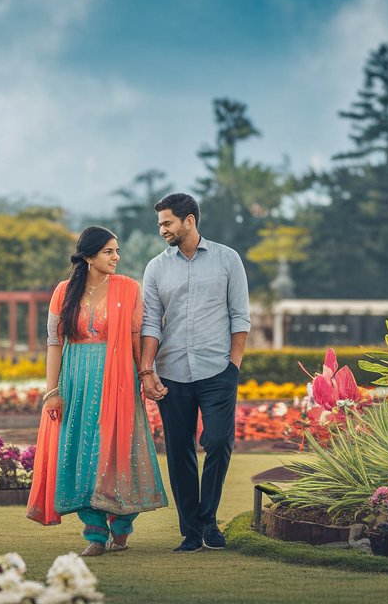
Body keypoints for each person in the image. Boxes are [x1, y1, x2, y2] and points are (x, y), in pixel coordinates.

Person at [27, 226, 168, 557]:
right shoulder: (64, 291)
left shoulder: (129, 288)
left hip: (118, 380)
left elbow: (137, 338)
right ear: (89, 256)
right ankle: (94, 533)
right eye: (109, 251)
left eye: (117, 251)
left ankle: (121, 526)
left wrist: (146, 375)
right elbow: (53, 342)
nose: (116, 257)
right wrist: (52, 391)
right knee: (80, 452)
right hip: (75, 382)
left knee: (119, 451)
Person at [139, 193, 250, 552]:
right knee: (179, 449)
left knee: (218, 441)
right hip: (172, 372)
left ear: (189, 220)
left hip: (218, 370)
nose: (162, 230)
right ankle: (191, 531)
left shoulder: (227, 259)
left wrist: (234, 365)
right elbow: (151, 322)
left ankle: (208, 520)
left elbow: (240, 316)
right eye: (160, 224)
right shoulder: (157, 267)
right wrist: (147, 369)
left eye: (167, 223)